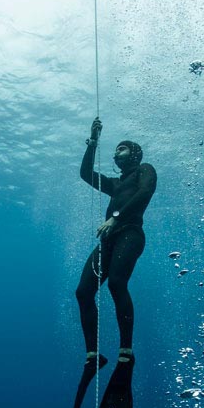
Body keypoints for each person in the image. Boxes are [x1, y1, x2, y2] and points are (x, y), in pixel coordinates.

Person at [76, 117, 157, 370]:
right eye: (115, 150)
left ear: (134, 153)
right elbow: (85, 174)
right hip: (109, 240)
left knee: (117, 283)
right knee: (83, 292)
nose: (116, 153)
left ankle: (126, 351)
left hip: (130, 233)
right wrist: (93, 141)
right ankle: (93, 355)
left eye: (121, 148)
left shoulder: (145, 170)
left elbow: (145, 193)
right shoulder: (115, 184)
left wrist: (116, 218)